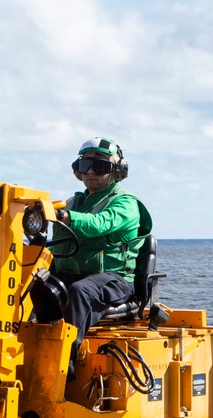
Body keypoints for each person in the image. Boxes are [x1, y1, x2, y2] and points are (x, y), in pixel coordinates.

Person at [50, 137, 153, 375]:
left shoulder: (125, 204)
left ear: (117, 171)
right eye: (86, 166)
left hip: (115, 281)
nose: (91, 172)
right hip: (74, 276)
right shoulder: (74, 202)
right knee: (34, 286)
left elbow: (99, 224)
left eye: (101, 167)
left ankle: (64, 367)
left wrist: (67, 217)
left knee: (80, 292)